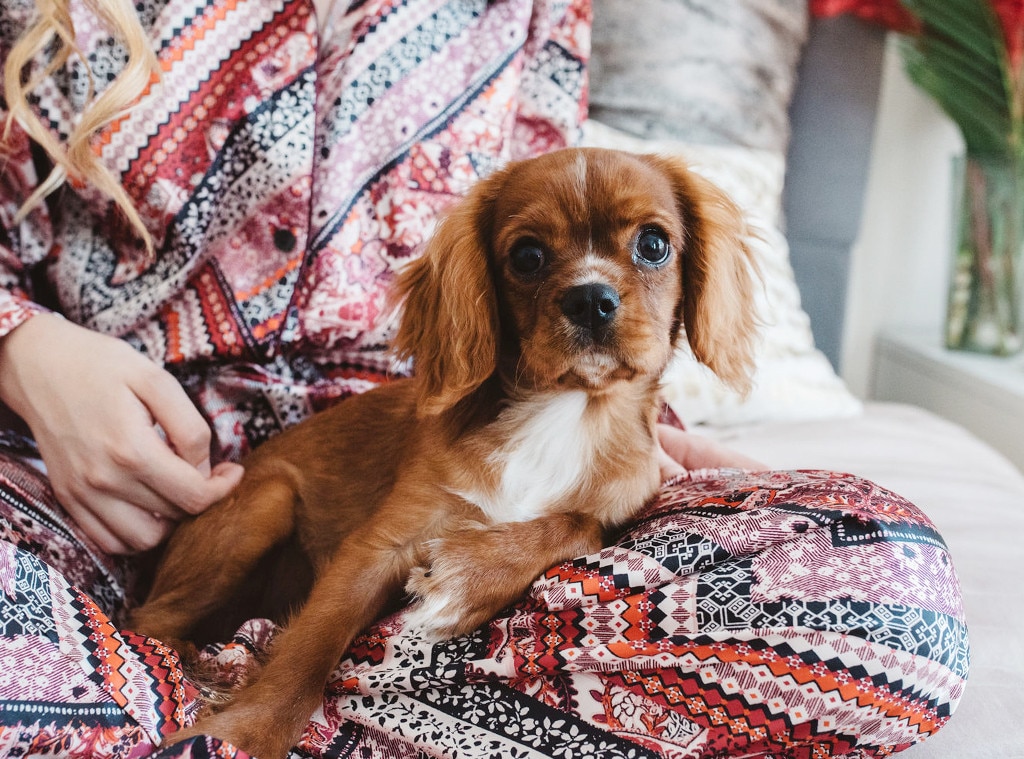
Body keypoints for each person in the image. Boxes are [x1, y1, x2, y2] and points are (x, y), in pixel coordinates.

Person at [0, 0, 967, 757]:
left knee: (889, 589)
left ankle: (200, 705)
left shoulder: (532, 14)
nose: (595, 281)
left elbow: (566, 194)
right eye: (536, 259)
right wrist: (26, 347)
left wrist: (689, 484)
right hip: (118, 472)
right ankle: (300, 700)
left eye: (649, 247)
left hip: (468, 409)